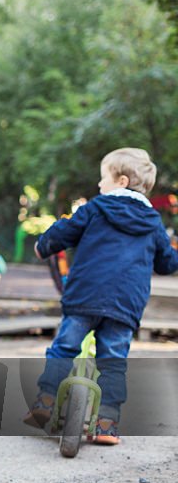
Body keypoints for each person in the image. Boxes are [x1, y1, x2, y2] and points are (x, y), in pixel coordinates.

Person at [26, 148, 178, 444]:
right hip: (125, 305)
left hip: (85, 296)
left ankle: (45, 400)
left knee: (63, 348)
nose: (99, 185)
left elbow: (64, 232)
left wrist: (43, 245)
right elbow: (166, 263)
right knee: (113, 361)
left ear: (121, 181)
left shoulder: (94, 209)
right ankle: (107, 424)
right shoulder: (153, 223)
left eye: (102, 178)